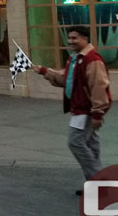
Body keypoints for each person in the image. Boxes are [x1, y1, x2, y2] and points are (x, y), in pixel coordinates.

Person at [34, 25, 112, 196]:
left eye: (74, 38)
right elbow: (65, 80)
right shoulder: (75, 58)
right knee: (91, 145)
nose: (70, 41)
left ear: (85, 39)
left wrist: (98, 113)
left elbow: (99, 86)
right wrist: (45, 72)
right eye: (69, 38)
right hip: (79, 109)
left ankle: (99, 184)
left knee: (75, 142)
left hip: (87, 110)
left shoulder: (92, 59)